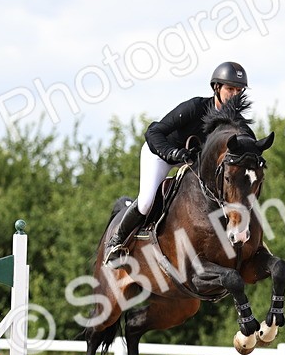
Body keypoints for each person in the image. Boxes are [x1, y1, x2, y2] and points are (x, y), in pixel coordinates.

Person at [103, 61, 253, 268]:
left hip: (191, 165)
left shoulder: (236, 124)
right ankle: (116, 242)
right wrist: (171, 152)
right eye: (230, 89)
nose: (234, 94)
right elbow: (153, 131)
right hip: (162, 154)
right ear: (216, 88)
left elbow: (249, 147)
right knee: (147, 201)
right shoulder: (195, 107)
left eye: (239, 90)